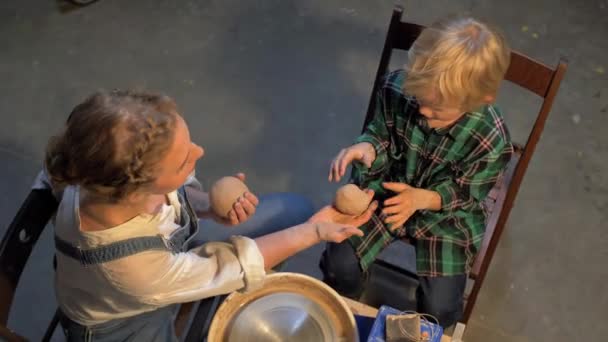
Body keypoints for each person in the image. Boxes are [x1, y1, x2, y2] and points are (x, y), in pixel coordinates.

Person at [33, 90, 377, 341]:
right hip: (124, 323)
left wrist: (206, 206)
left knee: (295, 210)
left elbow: (171, 195)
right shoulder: (131, 268)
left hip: (161, 266)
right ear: (136, 187)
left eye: (190, 142)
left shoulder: (97, 174)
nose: (201, 151)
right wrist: (314, 232)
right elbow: (227, 267)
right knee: (297, 227)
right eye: (185, 160)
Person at [321, 16, 514, 328]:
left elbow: (466, 193)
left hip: (445, 214)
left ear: (480, 100)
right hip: (388, 189)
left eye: (437, 109)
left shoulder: (490, 138)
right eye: (420, 99)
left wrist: (422, 199)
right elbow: (380, 133)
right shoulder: (397, 89)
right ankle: (347, 311)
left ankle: (429, 328)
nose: (423, 111)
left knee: (440, 306)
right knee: (339, 264)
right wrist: (368, 147)